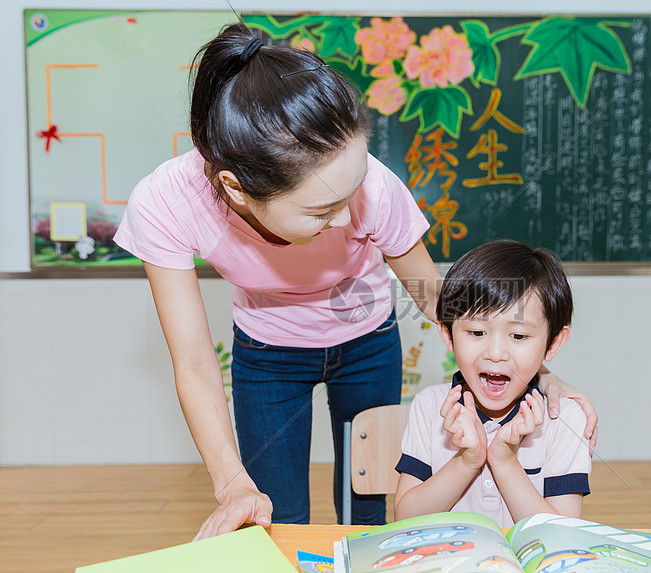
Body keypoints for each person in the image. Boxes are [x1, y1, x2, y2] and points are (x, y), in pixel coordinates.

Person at [113, 22, 597, 539]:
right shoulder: (166, 203)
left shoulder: (375, 188)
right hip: (266, 352)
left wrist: (536, 372)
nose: (347, 221)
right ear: (236, 188)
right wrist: (231, 483)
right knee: (276, 518)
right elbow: (192, 359)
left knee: (366, 516)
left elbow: (439, 301)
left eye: (354, 188)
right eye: (323, 209)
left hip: (368, 343)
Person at [394, 240, 591, 526]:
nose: (495, 353)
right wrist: (466, 462)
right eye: (476, 331)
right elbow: (404, 519)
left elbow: (562, 536)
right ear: (448, 335)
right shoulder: (430, 407)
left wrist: (505, 462)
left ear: (553, 343)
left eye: (518, 336)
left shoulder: (565, 420)